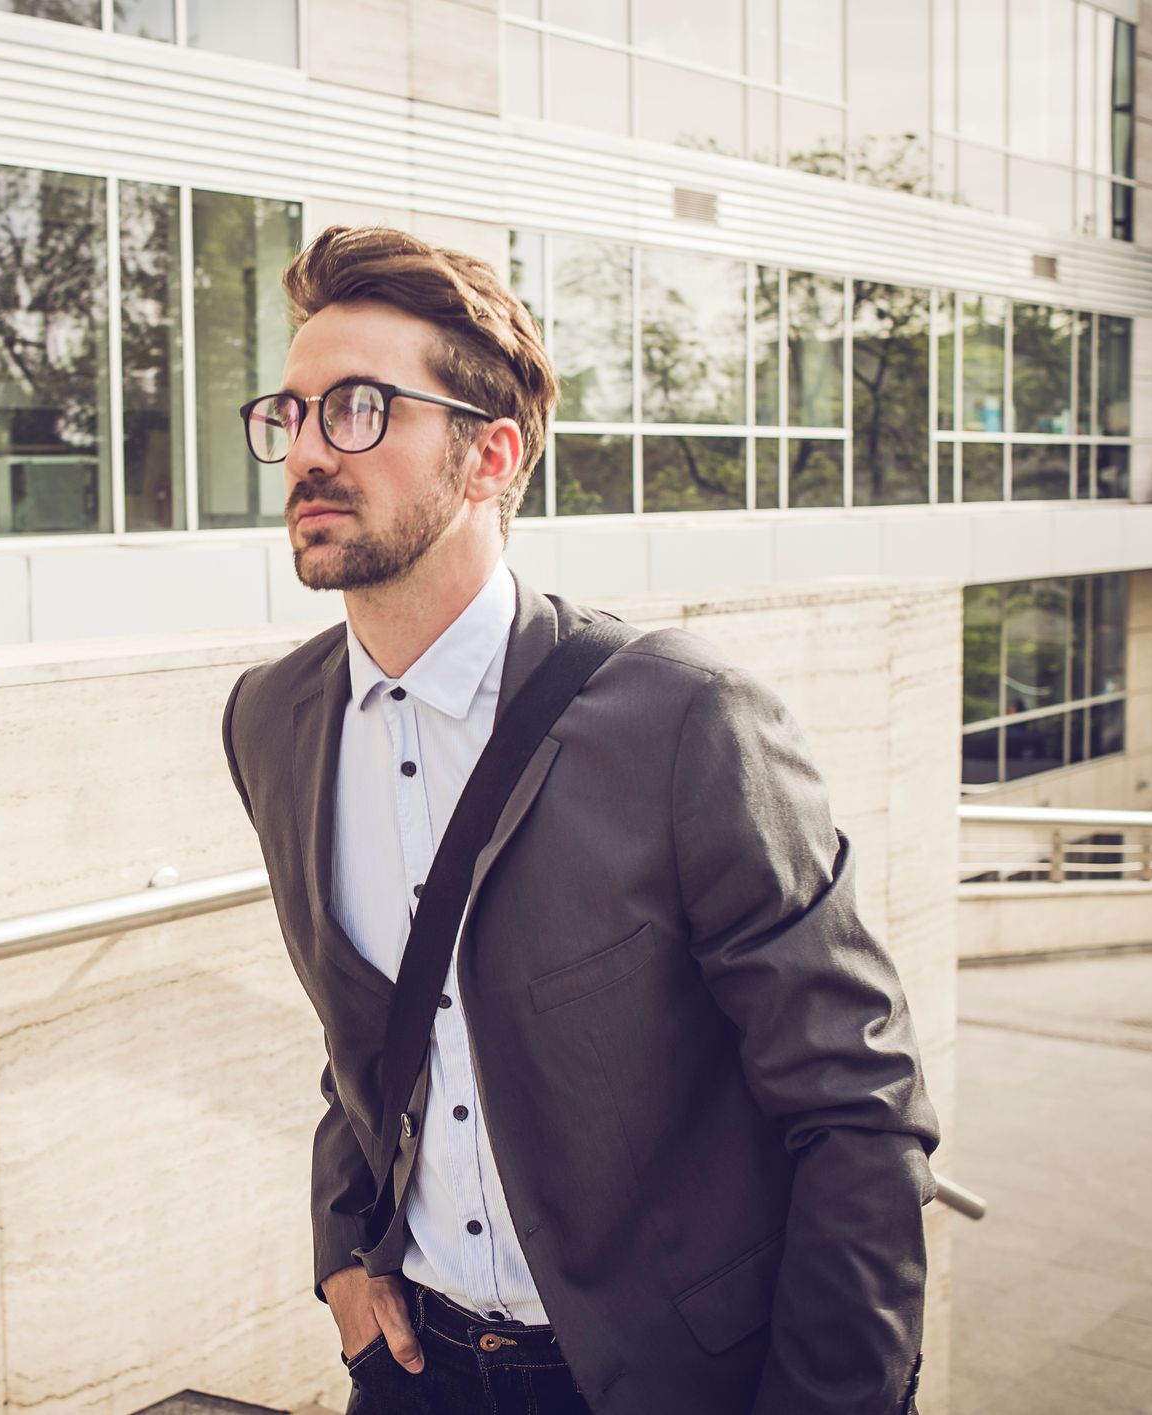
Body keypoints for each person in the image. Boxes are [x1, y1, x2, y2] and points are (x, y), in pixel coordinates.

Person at [218, 226, 940, 1415]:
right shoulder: (271, 719)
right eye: (288, 415)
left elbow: (855, 1106)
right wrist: (341, 1246)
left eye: (356, 408)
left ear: (490, 454)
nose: (305, 450)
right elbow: (364, 1029)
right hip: (412, 1369)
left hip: (663, 1380)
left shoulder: (685, 716)